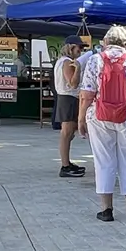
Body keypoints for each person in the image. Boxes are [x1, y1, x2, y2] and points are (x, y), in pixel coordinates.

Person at [78, 27, 126, 222]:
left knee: (104, 160)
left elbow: (87, 94)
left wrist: (81, 118)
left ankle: (106, 209)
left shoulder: (95, 60)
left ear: (105, 42)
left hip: (99, 116)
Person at [54, 35, 86, 178]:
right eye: (80, 47)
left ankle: (66, 163)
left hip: (67, 98)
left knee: (68, 133)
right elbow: (73, 83)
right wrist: (78, 68)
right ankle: (65, 165)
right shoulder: (67, 62)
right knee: (67, 134)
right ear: (71, 47)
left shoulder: (62, 61)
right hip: (68, 98)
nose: (81, 50)